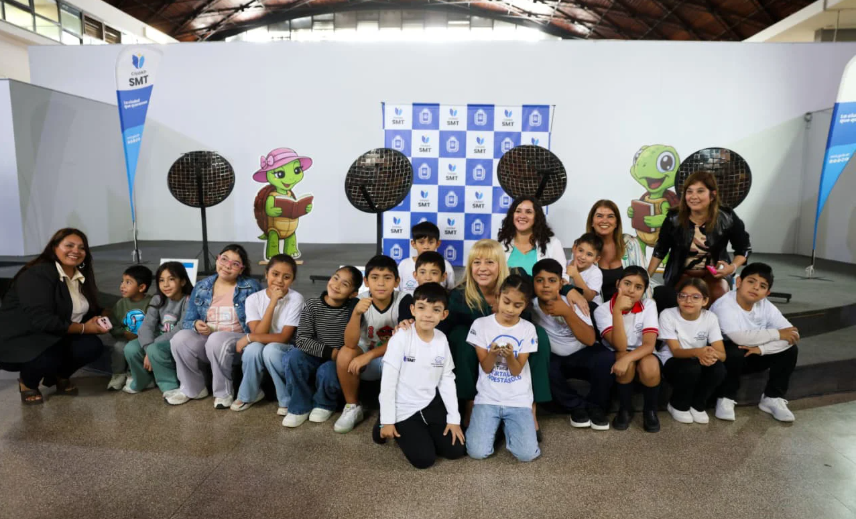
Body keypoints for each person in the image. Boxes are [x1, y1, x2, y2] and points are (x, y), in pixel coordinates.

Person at [443, 239, 552, 441]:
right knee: (460, 335)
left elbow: (545, 287)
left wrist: (570, 290)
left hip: (517, 341)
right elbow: (440, 327)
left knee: (540, 336)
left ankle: (532, 410)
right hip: (483, 350)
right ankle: (469, 405)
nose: (482, 269)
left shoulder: (517, 276)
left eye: (490, 262)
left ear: (501, 265)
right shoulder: (459, 295)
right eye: (476, 263)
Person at [0, 228, 108, 405]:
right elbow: (42, 320)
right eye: (69, 245)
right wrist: (84, 328)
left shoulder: (79, 275)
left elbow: (82, 307)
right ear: (54, 247)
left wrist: (107, 314)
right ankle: (27, 383)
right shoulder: (38, 273)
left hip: (56, 334)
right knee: (50, 354)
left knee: (92, 346)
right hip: (26, 337)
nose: (76, 251)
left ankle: (59, 375)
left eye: (82, 248)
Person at [376, 283, 466, 469]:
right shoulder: (401, 338)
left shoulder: (441, 339)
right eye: (421, 307)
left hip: (429, 403)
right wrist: (387, 420)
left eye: (436, 310)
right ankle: (382, 422)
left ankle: (421, 430)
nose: (427, 314)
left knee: (456, 450)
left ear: (444, 315)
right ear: (412, 310)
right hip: (403, 406)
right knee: (424, 460)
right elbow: (388, 382)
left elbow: (446, 380)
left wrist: (454, 419)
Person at [167, 244, 261, 407]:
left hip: (238, 342)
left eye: (235, 264)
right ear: (217, 258)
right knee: (179, 339)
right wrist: (196, 324)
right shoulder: (202, 286)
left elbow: (260, 320)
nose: (227, 266)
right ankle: (193, 389)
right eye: (224, 259)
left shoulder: (250, 287)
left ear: (241, 269)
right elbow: (187, 321)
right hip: (208, 341)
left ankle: (223, 392)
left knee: (216, 339)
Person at [648, 171, 751, 308]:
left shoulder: (727, 217)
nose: (693, 196)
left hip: (714, 275)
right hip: (682, 274)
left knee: (718, 301)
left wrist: (731, 268)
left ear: (712, 195)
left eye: (700, 191)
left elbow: (744, 249)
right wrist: (645, 278)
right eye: (689, 192)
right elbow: (660, 250)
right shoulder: (674, 218)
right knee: (682, 302)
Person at [710, 263, 799, 422]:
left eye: (762, 286)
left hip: (753, 353)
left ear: (767, 292)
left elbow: (792, 334)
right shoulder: (724, 305)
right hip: (722, 359)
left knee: (790, 350)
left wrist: (761, 349)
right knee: (734, 350)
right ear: (738, 282)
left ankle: (772, 398)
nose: (756, 288)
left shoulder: (766, 305)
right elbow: (739, 337)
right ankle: (726, 398)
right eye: (751, 281)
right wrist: (776, 333)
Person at [531, 259, 612, 431]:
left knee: (606, 357)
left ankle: (596, 406)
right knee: (542, 364)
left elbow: (590, 339)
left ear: (561, 284)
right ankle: (577, 406)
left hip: (581, 353)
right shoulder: (530, 305)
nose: (545, 285)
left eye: (552, 281)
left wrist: (567, 313)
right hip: (554, 358)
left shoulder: (574, 301)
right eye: (540, 280)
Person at [466, 275, 540, 462]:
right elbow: (487, 367)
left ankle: (506, 426)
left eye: (517, 305)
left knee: (527, 455)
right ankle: (495, 426)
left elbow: (516, 371)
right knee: (477, 452)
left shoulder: (528, 329)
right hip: (488, 398)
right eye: (506, 302)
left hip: (518, 399)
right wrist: (492, 354)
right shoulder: (481, 324)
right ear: (498, 297)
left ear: (525, 306)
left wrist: (509, 357)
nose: (510, 309)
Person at [281, 267, 362, 428]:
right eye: (335, 278)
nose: (336, 285)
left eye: (344, 284)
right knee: (293, 357)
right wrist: (331, 352)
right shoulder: (312, 305)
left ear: (353, 293)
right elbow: (302, 339)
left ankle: (324, 404)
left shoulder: (353, 307)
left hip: (336, 361)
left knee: (328, 371)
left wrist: (336, 356)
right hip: (317, 354)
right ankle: (299, 406)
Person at [336, 255, 406, 433]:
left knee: (406, 355)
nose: (381, 283)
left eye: (387, 278)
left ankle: (396, 410)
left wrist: (368, 356)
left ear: (397, 281)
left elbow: (403, 341)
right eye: (375, 278)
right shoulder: (359, 300)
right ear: (366, 281)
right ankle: (352, 407)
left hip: (391, 356)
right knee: (345, 353)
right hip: (367, 355)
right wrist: (356, 314)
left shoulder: (404, 300)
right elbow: (349, 343)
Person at [232, 254, 303, 413]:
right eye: (275, 274)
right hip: (262, 344)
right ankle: (249, 395)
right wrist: (272, 303)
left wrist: (249, 338)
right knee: (252, 349)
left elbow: (284, 337)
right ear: (266, 274)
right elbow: (259, 332)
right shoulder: (253, 299)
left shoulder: (296, 299)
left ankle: (285, 399)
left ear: (292, 280)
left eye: (286, 277)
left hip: (285, 347)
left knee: (269, 349)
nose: (279, 280)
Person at [593, 266, 661, 432]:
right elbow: (620, 346)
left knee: (650, 365)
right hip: (617, 351)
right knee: (625, 361)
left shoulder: (649, 305)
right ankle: (625, 409)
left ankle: (650, 410)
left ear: (645, 290)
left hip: (643, 351)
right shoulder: (603, 310)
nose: (631, 291)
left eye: (638, 287)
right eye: (627, 283)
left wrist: (628, 358)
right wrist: (617, 311)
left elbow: (649, 344)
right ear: (618, 283)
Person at [657, 278, 726, 424]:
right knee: (691, 368)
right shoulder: (668, 315)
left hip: (698, 357)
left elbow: (722, 354)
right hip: (673, 361)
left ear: (705, 301)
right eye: (683, 296)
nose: (688, 301)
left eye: (695, 297)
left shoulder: (710, 318)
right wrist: (699, 352)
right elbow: (675, 351)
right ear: (678, 298)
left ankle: (698, 405)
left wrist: (710, 354)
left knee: (718, 368)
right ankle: (677, 405)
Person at [123, 262, 192, 394]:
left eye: (171, 279)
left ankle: (170, 387)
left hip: (175, 341)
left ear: (183, 281)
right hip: (156, 341)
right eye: (161, 280)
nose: (165, 284)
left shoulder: (188, 300)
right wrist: (148, 348)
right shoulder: (157, 299)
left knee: (155, 349)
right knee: (131, 348)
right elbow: (146, 326)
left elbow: (180, 328)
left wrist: (151, 348)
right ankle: (144, 380)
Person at [585, 200, 647, 302]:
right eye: (599, 216)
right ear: (592, 222)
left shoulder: (630, 243)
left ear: (616, 223)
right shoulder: (584, 248)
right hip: (598, 308)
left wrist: (642, 310)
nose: (605, 220)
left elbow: (644, 279)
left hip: (629, 305)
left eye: (610, 216)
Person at [105, 265, 153, 390]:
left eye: (128, 282)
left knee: (136, 349)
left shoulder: (151, 302)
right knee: (118, 347)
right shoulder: (121, 304)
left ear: (142, 287)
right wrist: (124, 333)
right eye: (122, 281)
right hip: (126, 337)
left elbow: (153, 324)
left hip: (144, 339)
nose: (122, 286)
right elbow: (113, 326)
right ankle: (118, 375)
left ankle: (134, 374)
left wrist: (140, 335)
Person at [498, 196, 567, 278]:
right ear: (512, 215)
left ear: (537, 217)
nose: (522, 216)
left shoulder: (553, 244)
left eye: (528, 212)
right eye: (518, 211)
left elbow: (562, 278)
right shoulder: (500, 246)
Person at [397, 221, 456, 293]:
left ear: (438, 243)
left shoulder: (446, 265)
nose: (426, 247)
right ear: (413, 244)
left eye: (431, 242)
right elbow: (397, 291)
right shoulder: (404, 265)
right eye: (421, 242)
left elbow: (451, 291)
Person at [397, 251, 447, 322]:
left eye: (434, 273)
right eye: (422, 272)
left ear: (443, 276)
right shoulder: (407, 302)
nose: (428, 278)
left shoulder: (450, 302)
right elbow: (403, 326)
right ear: (415, 275)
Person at [566, 232, 604, 304]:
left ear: (596, 259)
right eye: (580, 250)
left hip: (591, 308)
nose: (583, 257)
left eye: (589, 254)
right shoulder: (564, 264)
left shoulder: (595, 272)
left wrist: (575, 274)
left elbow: (589, 297)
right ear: (574, 248)